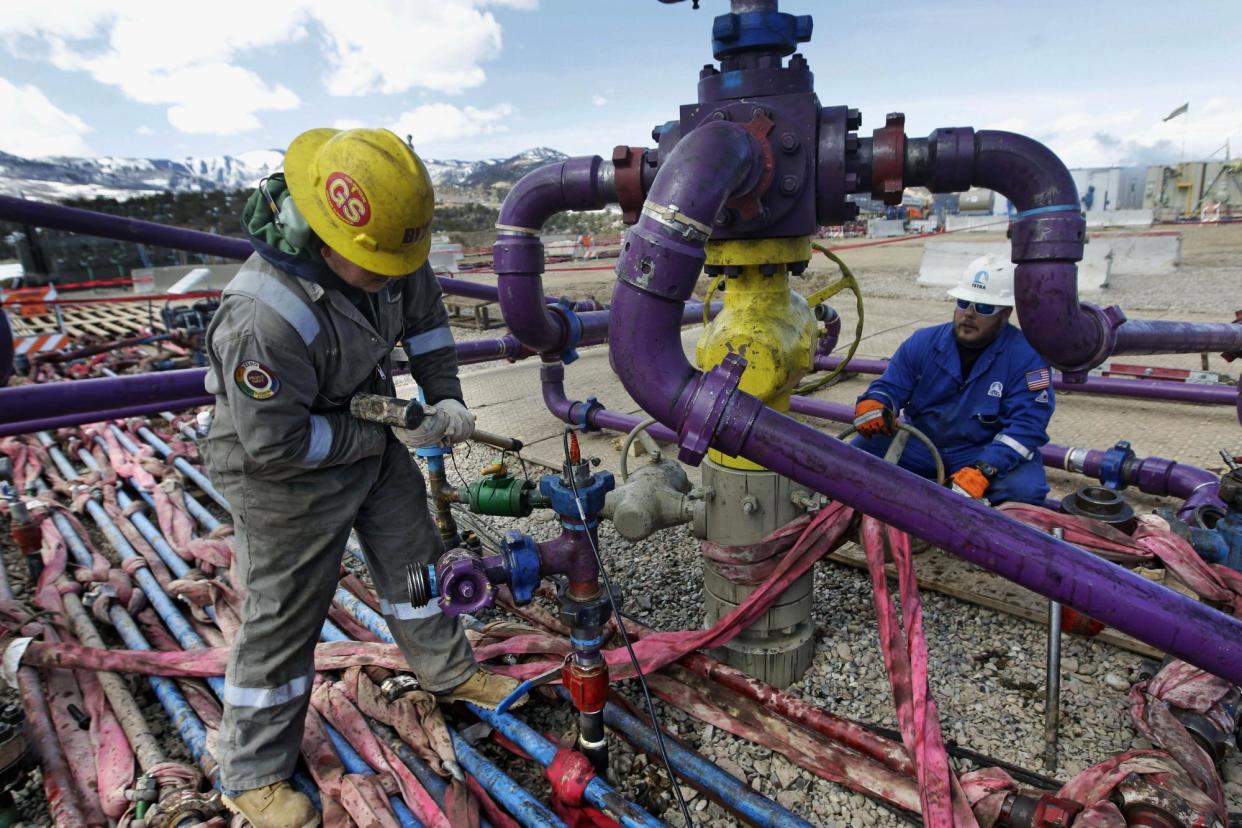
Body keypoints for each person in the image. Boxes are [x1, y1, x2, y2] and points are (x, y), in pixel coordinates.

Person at [204, 127, 519, 826]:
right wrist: (382, 428)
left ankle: (447, 672)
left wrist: (445, 400)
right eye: (376, 265)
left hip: (368, 444)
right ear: (325, 237)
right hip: (280, 474)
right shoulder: (262, 318)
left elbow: (429, 325)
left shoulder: (389, 248)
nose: (392, 275)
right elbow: (276, 442)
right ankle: (249, 771)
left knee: (414, 566)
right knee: (283, 620)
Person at [851, 254, 1054, 505]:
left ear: (1005, 313)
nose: (969, 314)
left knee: (1025, 491)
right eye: (964, 302)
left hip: (981, 449)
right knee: (853, 458)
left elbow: (1027, 427)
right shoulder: (922, 342)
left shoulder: (1026, 358)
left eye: (984, 307)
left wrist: (985, 469)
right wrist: (876, 402)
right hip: (921, 445)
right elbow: (890, 386)